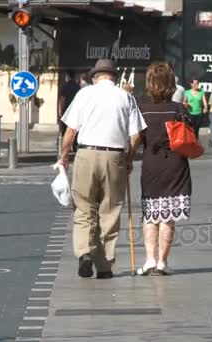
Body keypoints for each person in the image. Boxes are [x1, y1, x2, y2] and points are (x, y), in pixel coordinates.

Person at [58, 59, 147, 279]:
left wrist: (64, 156)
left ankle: (84, 253)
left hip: (86, 154)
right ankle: (105, 265)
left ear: (95, 77)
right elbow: (136, 136)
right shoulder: (126, 97)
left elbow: (70, 132)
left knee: (84, 207)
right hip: (114, 155)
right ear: (114, 77)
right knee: (110, 210)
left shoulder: (84, 94)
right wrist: (129, 158)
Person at [131, 62, 192, 276]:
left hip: (151, 165)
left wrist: (128, 159)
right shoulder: (178, 109)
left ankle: (149, 260)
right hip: (175, 165)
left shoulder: (142, 109)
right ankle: (163, 262)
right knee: (168, 216)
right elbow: (189, 133)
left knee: (150, 215)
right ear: (171, 85)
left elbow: (136, 138)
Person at [58, 71, 81, 137]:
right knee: (74, 129)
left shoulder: (65, 86)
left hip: (67, 110)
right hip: (75, 111)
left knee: (65, 130)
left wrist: (60, 111)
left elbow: (62, 99)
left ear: (67, 76)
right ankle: (74, 146)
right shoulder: (78, 86)